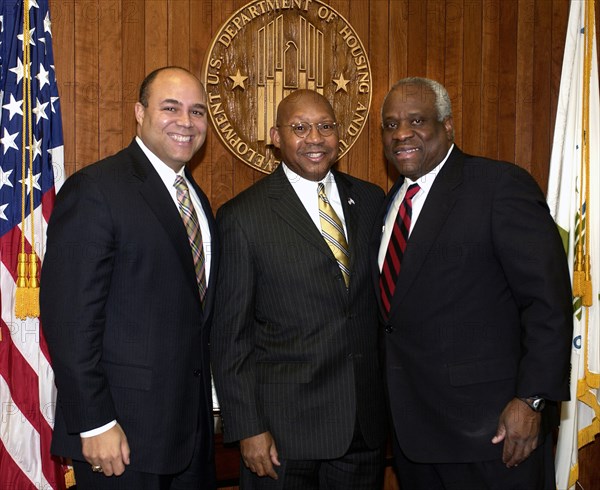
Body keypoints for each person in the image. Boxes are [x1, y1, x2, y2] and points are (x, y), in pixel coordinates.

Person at [374, 77, 573, 489]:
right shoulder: (389, 203)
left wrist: (532, 400)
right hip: (415, 438)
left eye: (417, 120)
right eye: (391, 125)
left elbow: (547, 302)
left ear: (448, 126)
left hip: (493, 436)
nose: (402, 134)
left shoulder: (499, 187)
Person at [40, 66, 218, 489]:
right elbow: (69, 320)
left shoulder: (195, 198)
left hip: (188, 436)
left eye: (197, 112)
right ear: (139, 112)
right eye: (170, 108)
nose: (185, 122)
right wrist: (94, 422)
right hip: (120, 437)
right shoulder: (96, 190)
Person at [211, 89, 387, 489]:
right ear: (276, 136)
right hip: (282, 436)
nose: (315, 138)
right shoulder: (243, 216)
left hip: (363, 429)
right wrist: (249, 428)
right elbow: (231, 338)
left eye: (325, 126)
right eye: (300, 128)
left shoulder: (371, 199)